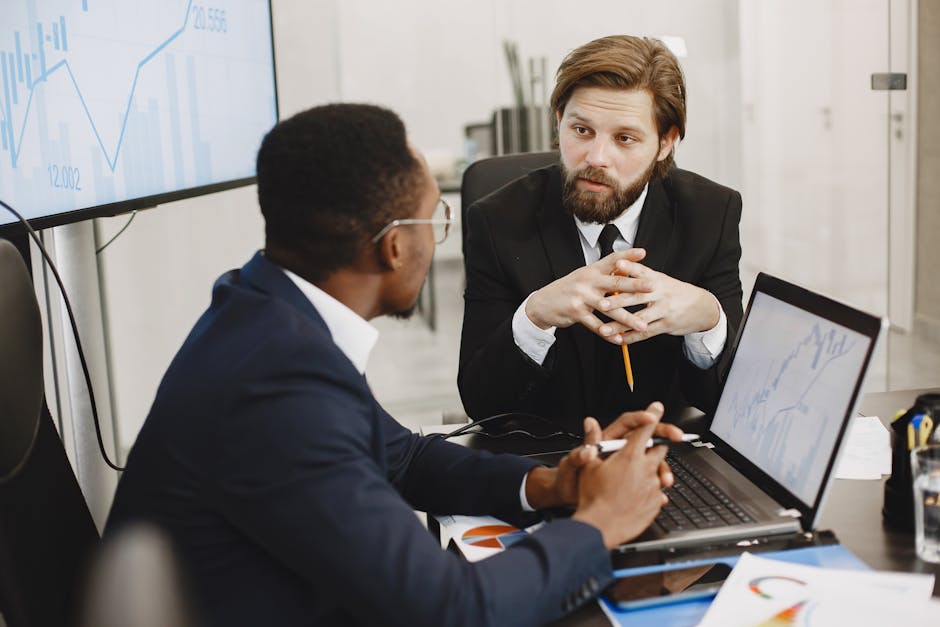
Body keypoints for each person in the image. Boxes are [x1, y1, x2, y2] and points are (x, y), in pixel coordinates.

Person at [105, 103, 685, 627]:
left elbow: (401, 456)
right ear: (394, 246)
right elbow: (453, 610)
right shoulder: (279, 390)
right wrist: (601, 522)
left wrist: (551, 484)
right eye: (436, 221)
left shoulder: (268, 311)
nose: (439, 242)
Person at [458, 35, 744, 434]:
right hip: (546, 460)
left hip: (663, 453)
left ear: (666, 142)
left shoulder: (711, 213)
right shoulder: (497, 220)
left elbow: (727, 400)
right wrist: (534, 315)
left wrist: (708, 320)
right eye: (581, 130)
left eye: (625, 138)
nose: (596, 158)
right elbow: (482, 402)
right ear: (559, 121)